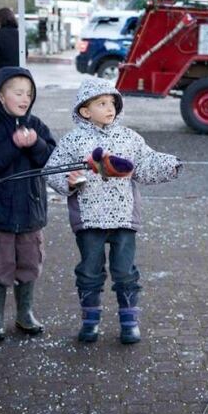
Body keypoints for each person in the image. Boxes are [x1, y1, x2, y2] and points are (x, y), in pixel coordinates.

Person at [45, 79, 181, 344]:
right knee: (89, 271)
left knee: (125, 271)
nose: (110, 108)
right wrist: (68, 181)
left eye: (113, 103)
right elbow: (52, 170)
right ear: (85, 111)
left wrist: (171, 165)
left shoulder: (129, 137)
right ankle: (90, 321)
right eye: (102, 104)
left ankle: (129, 322)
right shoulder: (73, 140)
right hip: (89, 220)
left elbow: (145, 163)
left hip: (123, 219)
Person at [0, 66, 56, 341]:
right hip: (0, 213)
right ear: (1, 96)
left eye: (29, 93)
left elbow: (50, 159)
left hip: (31, 212)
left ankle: (25, 313)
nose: (24, 98)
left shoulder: (38, 126)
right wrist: (13, 144)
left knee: (30, 262)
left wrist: (35, 144)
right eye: (18, 92)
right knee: (0, 263)